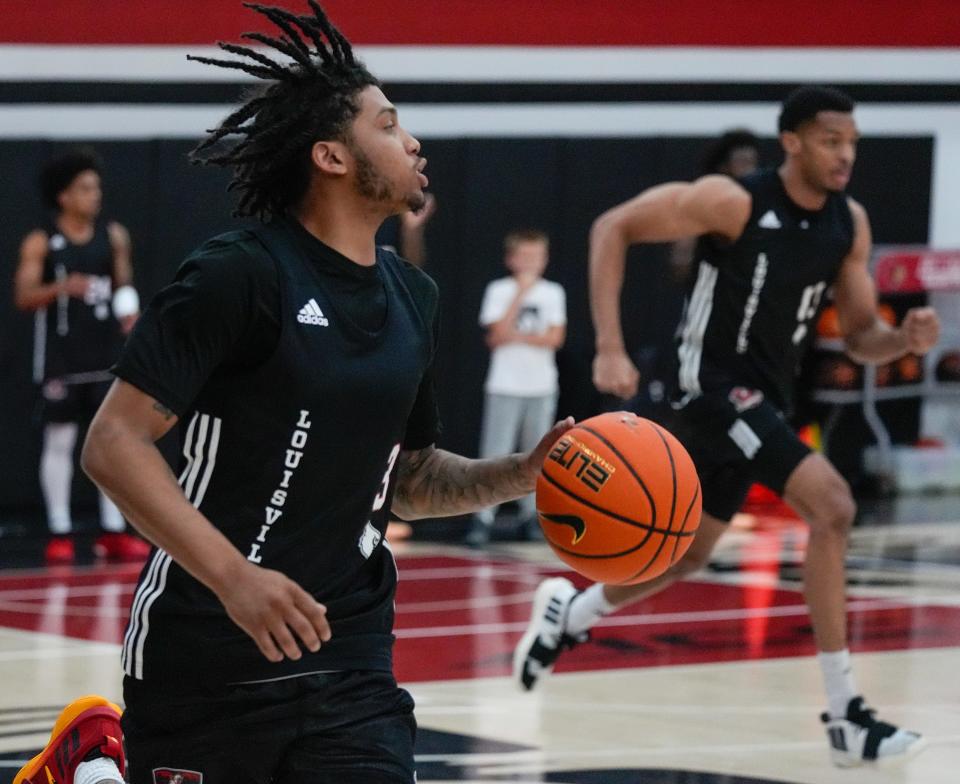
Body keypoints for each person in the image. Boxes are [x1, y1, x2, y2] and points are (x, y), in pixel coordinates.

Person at [17, 4, 573, 784]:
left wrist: (519, 473)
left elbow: (406, 480)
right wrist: (236, 578)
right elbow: (113, 445)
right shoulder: (240, 273)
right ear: (331, 157)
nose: (412, 140)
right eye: (387, 124)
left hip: (350, 661)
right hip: (205, 656)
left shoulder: (414, 295)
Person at [513, 86, 940, 767]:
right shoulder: (733, 200)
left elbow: (861, 339)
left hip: (762, 398)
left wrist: (903, 339)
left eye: (853, 142)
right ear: (793, 142)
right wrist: (610, 345)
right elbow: (610, 228)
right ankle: (846, 716)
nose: (846, 155)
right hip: (709, 388)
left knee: (686, 555)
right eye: (832, 140)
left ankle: (572, 613)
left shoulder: (846, 222)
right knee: (832, 506)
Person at [13, 148, 148, 564]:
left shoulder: (113, 235)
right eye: (85, 188)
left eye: (97, 187)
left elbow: (124, 283)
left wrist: (130, 313)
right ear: (63, 196)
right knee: (61, 441)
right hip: (60, 359)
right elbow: (23, 296)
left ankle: (112, 529)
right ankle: (60, 530)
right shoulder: (42, 240)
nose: (95, 195)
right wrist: (61, 287)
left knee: (108, 440)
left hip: (105, 355)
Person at [466, 229, 567, 546]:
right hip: (505, 384)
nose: (529, 263)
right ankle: (483, 517)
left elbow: (555, 339)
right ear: (511, 259)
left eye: (536, 257)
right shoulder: (499, 290)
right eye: (523, 257)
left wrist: (517, 336)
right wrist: (520, 296)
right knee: (495, 452)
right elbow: (496, 335)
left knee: (538, 452)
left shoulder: (553, 293)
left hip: (541, 386)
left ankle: (532, 517)